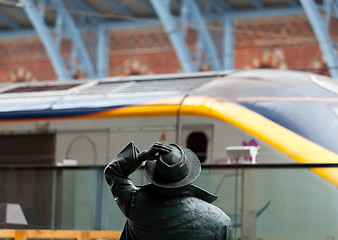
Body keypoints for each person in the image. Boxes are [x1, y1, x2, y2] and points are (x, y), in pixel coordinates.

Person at [104, 142, 232, 240]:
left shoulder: (135, 204)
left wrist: (143, 156)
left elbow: (114, 172)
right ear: (188, 176)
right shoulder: (221, 222)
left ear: (155, 176)